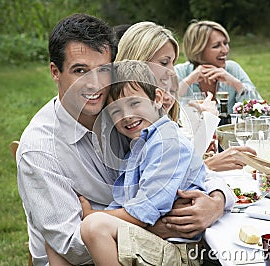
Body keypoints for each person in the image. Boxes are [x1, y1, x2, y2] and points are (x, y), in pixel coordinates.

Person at [16, 14, 235, 266]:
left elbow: (196, 168)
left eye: (103, 71)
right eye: (80, 70)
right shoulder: (40, 150)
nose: (95, 84)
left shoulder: (125, 117)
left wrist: (217, 202)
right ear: (55, 72)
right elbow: (71, 248)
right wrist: (162, 227)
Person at [79, 60, 207, 265]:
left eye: (134, 103)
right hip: (154, 242)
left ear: (157, 98)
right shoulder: (141, 145)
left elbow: (142, 212)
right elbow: (125, 201)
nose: (127, 116)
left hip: (178, 251)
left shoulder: (168, 143)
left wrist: (93, 214)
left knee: (94, 226)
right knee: (63, 240)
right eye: (116, 111)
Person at [116, 21, 257, 172]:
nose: (171, 71)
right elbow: (155, 178)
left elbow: (176, 160)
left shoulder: (158, 101)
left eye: (172, 62)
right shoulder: (130, 111)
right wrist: (207, 162)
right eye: (164, 62)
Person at [175, 20, 262, 114]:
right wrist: (188, 81)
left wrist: (236, 84)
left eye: (225, 43)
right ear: (198, 49)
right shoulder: (181, 71)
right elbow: (166, 107)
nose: (225, 50)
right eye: (216, 46)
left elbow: (260, 109)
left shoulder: (233, 69)